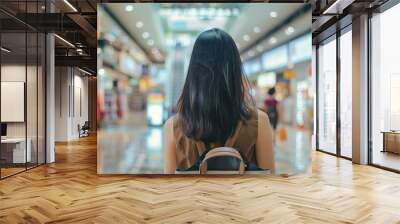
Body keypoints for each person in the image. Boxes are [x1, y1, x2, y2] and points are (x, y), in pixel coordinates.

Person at [163, 28, 274, 174]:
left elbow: (169, 186)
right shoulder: (259, 121)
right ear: (235, 70)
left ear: (194, 72)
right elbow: (269, 181)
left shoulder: (174, 127)